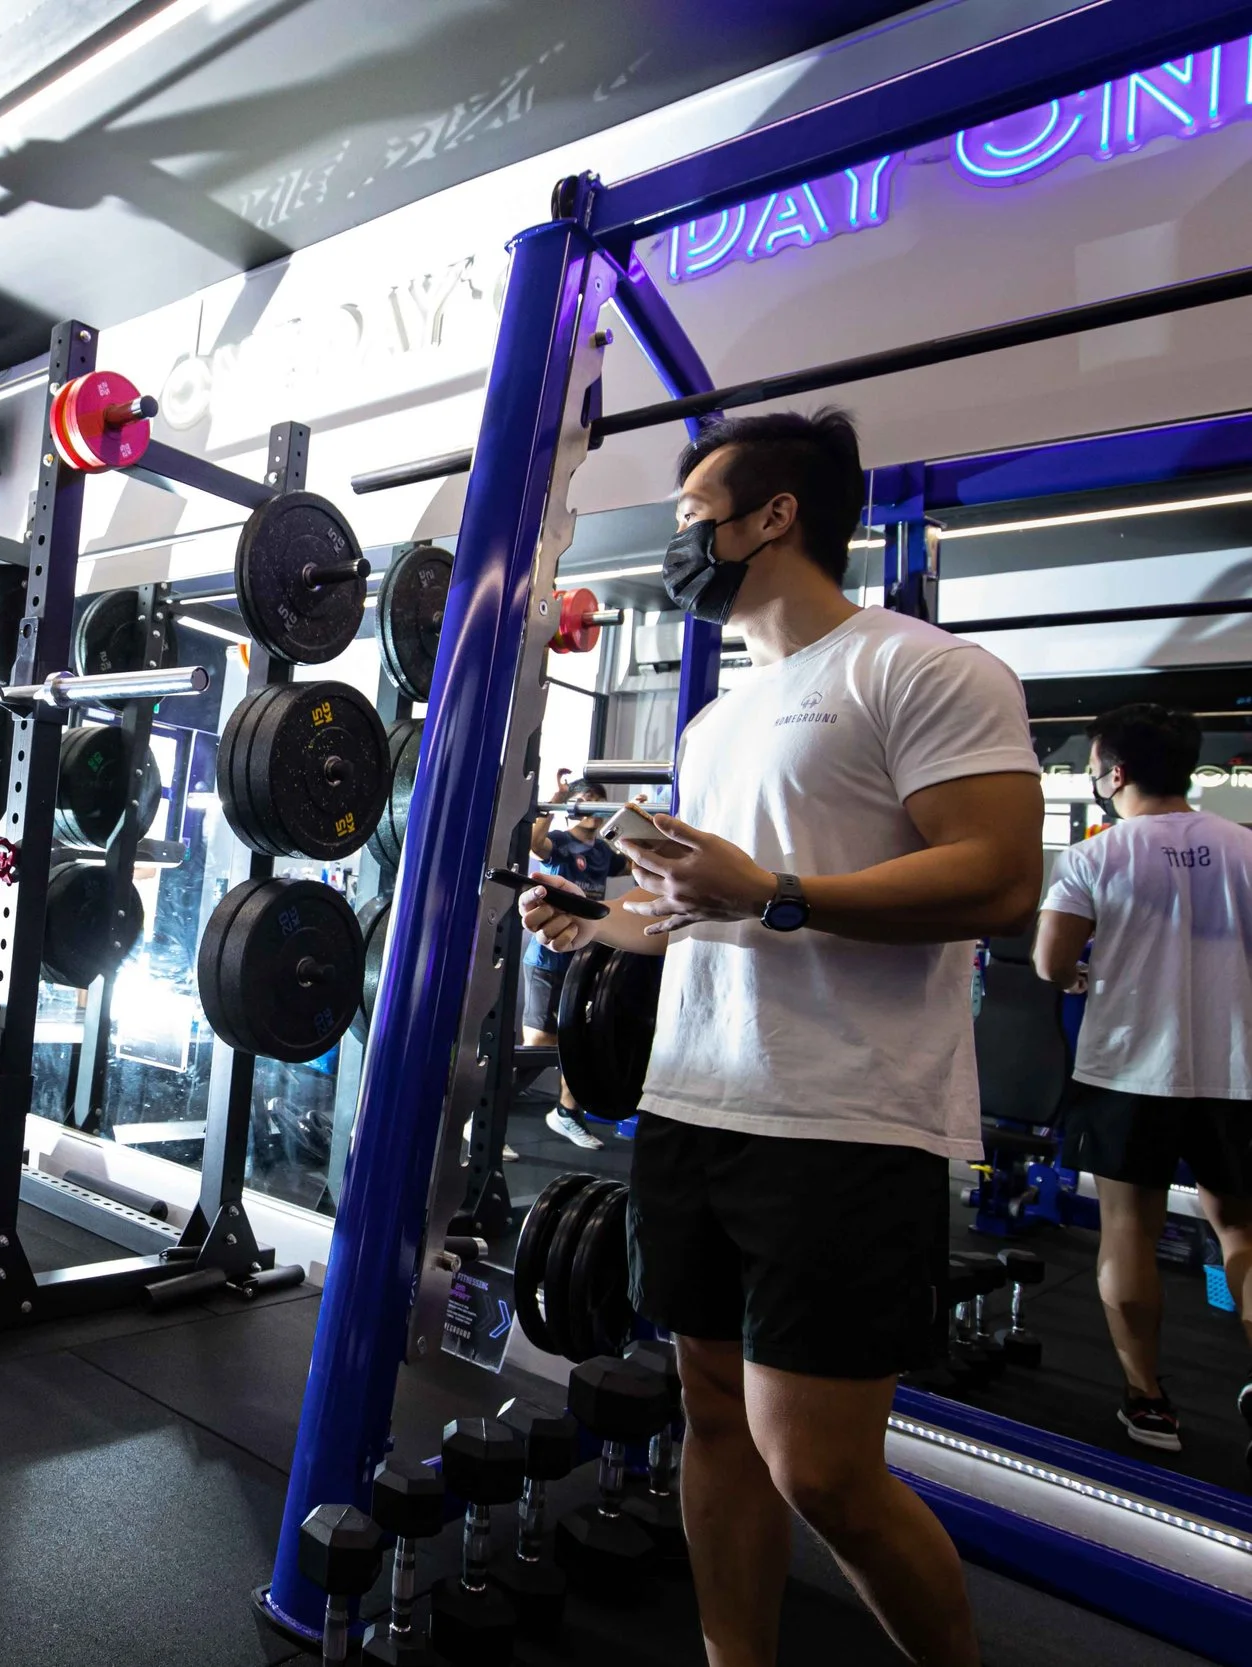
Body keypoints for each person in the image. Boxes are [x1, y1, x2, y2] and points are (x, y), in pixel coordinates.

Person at [520, 409, 1041, 1667]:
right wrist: (604, 923)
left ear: (773, 516)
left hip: (844, 1120)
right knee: (708, 1415)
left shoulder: (917, 668)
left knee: (821, 1469)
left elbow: (1000, 880)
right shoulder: (714, 724)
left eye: (696, 511)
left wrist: (778, 893)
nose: (679, 540)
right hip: (698, 1103)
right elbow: (713, 909)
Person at [1032, 702, 1252, 1454]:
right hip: (1238, 1070)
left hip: (1128, 1070)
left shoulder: (1096, 856)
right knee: (1241, 1230)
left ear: (1113, 772)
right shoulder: (1247, 848)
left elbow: (1050, 964)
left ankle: (1149, 1401)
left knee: (1129, 1229)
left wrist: (1085, 975)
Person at [521, 780, 627, 1148]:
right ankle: (479, 1117)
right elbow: (535, 844)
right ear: (575, 806)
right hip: (548, 958)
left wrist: (636, 822)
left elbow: (632, 860)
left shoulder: (601, 850)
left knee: (577, 1042)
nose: (596, 808)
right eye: (590, 800)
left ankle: (566, 1114)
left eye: (601, 801)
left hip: (582, 960)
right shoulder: (562, 844)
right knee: (537, 1047)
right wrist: (554, 803)